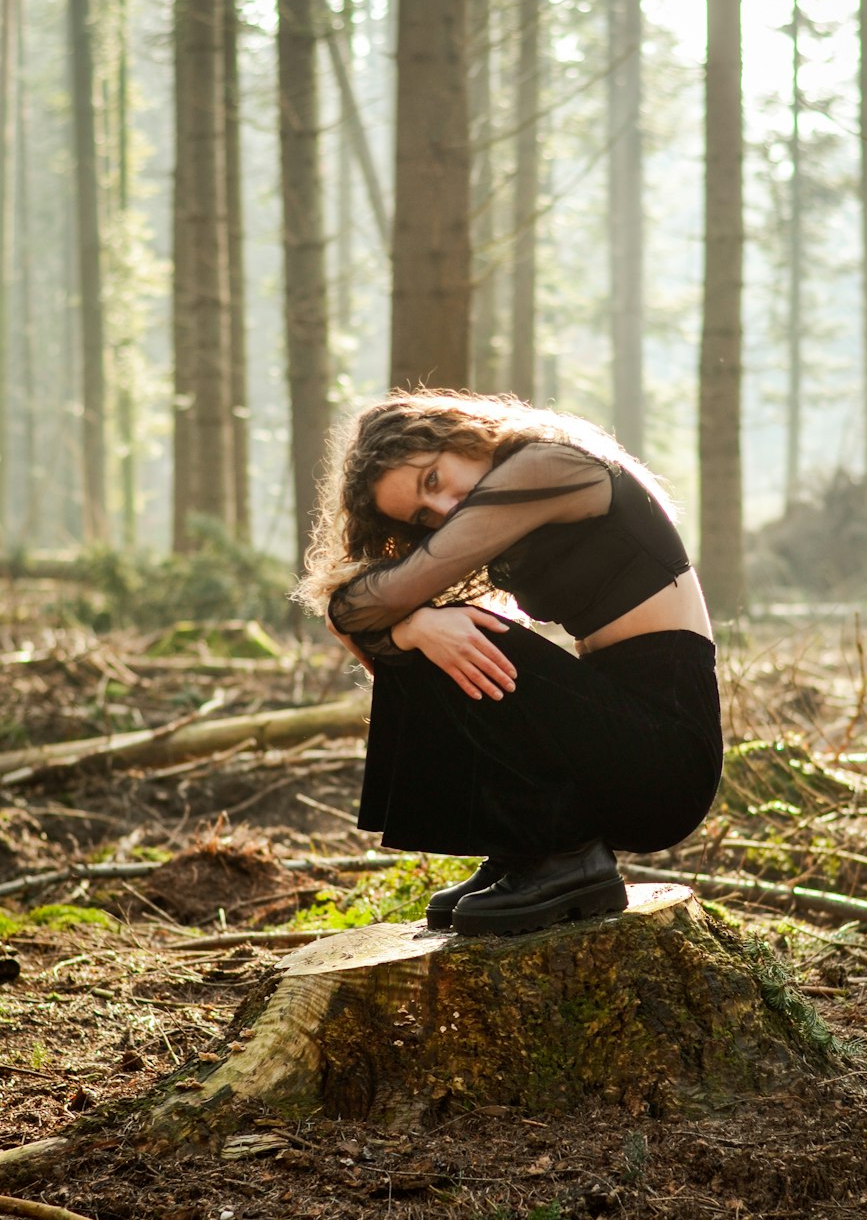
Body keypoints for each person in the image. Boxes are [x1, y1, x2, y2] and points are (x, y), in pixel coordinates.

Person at [293, 389, 723, 937]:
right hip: (620, 737)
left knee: (463, 632)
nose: (446, 508)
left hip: (666, 757)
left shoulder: (546, 465)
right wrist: (414, 626)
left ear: (457, 434)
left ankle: (566, 858)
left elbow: (358, 606)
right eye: (425, 513)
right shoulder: (504, 497)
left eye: (433, 478)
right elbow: (358, 616)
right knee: (441, 635)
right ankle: (528, 846)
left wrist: (405, 621)